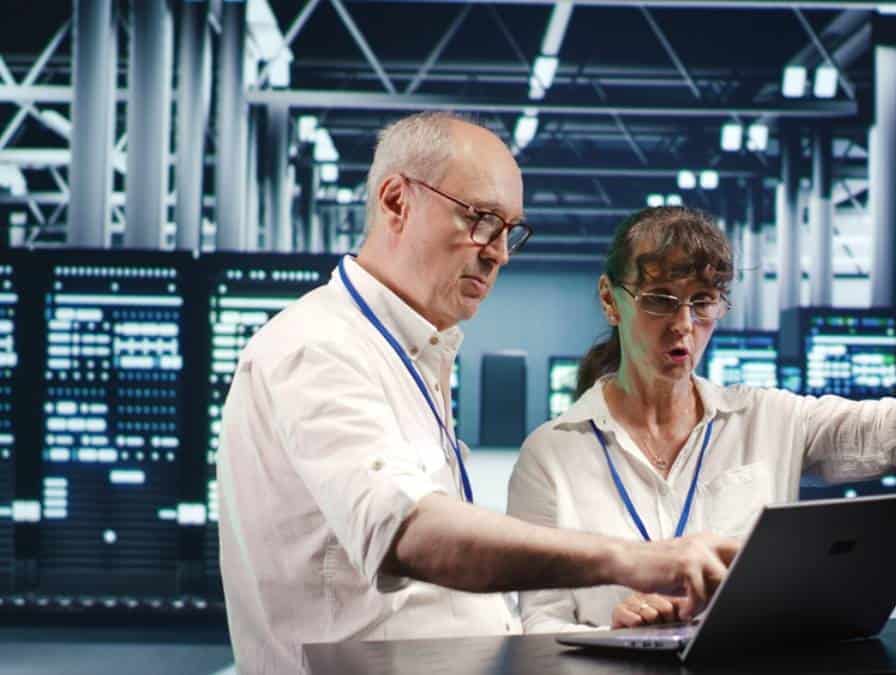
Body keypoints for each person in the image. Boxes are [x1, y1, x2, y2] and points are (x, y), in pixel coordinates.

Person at [216, 113, 738, 673]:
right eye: (483, 220)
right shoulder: (319, 347)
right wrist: (633, 560)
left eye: (510, 230)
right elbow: (410, 534)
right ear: (396, 201)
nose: (500, 253)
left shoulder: (412, 351)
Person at [507, 205, 896, 633]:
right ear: (612, 300)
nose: (683, 324)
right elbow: (540, 624)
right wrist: (611, 630)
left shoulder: (770, 419)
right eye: (660, 298)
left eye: (704, 301)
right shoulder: (553, 456)